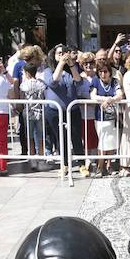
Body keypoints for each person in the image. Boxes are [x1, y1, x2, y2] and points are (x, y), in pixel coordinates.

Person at [43, 45, 84, 175]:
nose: (62, 55)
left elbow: (78, 81)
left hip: (73, 110)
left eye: (64, 53)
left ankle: (82, 164)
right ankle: (64, 164)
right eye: (59, 53)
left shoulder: (72, 69)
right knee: (61, 138)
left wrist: (71, 65)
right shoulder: (48, 70)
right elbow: (53, 81)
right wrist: (60, 64)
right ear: (54, 56)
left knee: (76, 137)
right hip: (55, 111)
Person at [91, 63, 123, 177]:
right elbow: (93, 96)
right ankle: (100, 166)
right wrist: (105, 99)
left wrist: (110, 100)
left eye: (105, 71)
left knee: (111, 141)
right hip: (100, 117)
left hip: (112, 116)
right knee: (102, 141)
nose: (103, 74)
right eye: (100, 72)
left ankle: (109, 165)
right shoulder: (95, 81)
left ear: (110, 72)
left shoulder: (114, 81)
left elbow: (120, 95)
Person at [19, 62, 48, 169]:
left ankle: (32, 160)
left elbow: (22, 99)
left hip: (28, 112)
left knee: (29, 137)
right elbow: (44, 96)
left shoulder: (23, 85)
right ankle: (41, 159)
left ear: (26, 73)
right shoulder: (41, 84)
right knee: (41, 137)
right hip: (40, 111)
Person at [76, 52, 100, 176]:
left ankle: (94, 159)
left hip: (97, 112)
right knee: (86, 137)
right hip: (83, 112)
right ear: (82, 65)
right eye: (86, 63)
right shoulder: (80, 77)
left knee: (95, 137)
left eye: (91, 63)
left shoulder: (97, 76)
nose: (89, 66)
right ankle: (88, 160)